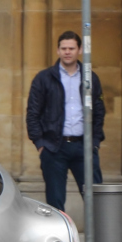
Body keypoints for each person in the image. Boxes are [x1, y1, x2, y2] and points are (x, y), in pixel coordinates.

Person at [26, 31, 104, 212]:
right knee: (55, 201)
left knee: (96, 200)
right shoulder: (43, 78)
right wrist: (40, 143)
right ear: (57, 51)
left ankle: (99, 240)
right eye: (64, 48)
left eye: (71, 48)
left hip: (84, 146)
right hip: (54, 148)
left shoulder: (90, 78)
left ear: (79, 50)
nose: (67, 52)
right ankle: (61, 239)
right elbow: (32, 113)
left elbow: (99, 112)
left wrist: (94, 142)